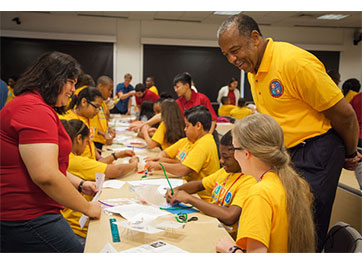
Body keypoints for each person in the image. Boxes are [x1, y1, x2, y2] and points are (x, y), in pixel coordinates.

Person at [217, 13, 360, 252]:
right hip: (289, 151)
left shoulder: (293, 62)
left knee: (306, 227)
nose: (232, 59)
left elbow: (344, 115)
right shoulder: (254, 71)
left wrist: (350, 153)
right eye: (226, 55)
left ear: (255, 37)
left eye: (235, 50)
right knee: (284, 222)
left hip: (318, 150)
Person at [0, 51, 101, 252]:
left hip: (29, 213)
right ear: (54, 79)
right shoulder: (33, 109)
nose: (73, 89)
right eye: (71, 82)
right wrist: (87, 207)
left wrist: (80, 184)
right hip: (27, 217)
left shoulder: (33, 105)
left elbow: (46, 165)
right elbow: (45, 175)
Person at [216, 114, 315, 253]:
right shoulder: (292, 182)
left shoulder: (259, 194)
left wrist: (230, 250)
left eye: (234, 149)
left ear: (246, 153)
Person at [60, 119, 138, 247]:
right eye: (87, 142)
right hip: (78, 228)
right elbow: (117, 170)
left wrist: (116, 155)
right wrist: (134, 164)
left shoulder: (66, 159)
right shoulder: (74, 160)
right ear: (78, 139)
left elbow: (96, 166)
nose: (87, 146)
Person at [166, 130, 256, 239]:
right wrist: (177, 189)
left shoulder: (249, 181)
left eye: (226, 157)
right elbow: (200, 184)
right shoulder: (226, 171)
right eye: (221, 156)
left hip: (224, 236)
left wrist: (190, 199)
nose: (221, 161)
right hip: (211, 224)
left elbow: (230, 216)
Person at [146, 105, 219, 201]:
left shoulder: (205, 144)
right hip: (188, 191)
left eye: (187, 126)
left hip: (201, 198)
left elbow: (184, 169)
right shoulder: (190, 140)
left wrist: (161, 165)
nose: (185, 129)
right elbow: (182, 163)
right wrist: (161, 160)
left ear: (198, 126)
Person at [91, 75, 116, 150]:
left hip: (102, 141)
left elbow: (104, 121)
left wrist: (109, 129)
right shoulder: (91, 102)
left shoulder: (103, 104)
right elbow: (88, 125)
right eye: (109, 90)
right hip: (94, 141)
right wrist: (104, 133)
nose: (110, 93)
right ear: (100, 86)